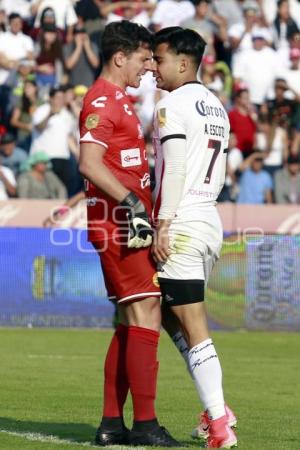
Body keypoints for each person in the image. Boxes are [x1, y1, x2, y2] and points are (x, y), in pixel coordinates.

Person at [79, 20, 180, 447]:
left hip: (123, 222)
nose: (148, 68)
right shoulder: (103, 98)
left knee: (130, 319)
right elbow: (89, 163)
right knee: (146, 314)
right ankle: (145, 424)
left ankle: (110, 424)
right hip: (121, 225)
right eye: (143, 58)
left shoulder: (118, 99)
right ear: (120, 57)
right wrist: (133, 203)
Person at [151, 27, 237, 449]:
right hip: (208, 217)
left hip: (182, 221)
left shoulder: (172, 103)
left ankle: (220, 424)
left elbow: (177, 166)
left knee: (193, 324)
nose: (153, 68)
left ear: (183, 63)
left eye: (159, 59)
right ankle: (218, 408)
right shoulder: (216, 106)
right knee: (168, 314)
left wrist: (164, 223)